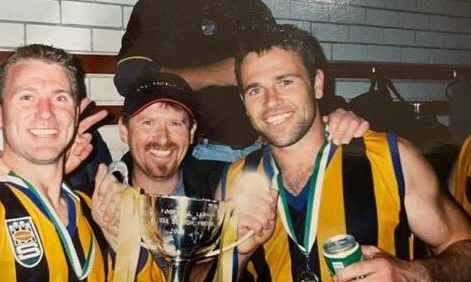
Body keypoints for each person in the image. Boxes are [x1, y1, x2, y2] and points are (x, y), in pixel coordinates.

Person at [221, 24, 471, 281]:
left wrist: (412, 273)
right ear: (243, 103)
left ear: (317, 84)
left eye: (285, 81)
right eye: (255, 90)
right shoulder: (232, 182)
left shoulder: (391, 159)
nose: (271, 102)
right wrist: (236, 255)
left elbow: (464, 250)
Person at [90, 72, 370, 281]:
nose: (162, 138)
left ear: (191, 132)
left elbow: (292, 165)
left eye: (175, 123)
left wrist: (332, 123)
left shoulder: (224, 183)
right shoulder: (98, 202)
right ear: (124, 130)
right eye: (147, 123)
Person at [114, 0, 357, 164]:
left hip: (263, 152)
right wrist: (214, 74)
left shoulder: (252, 8)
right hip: (197, 155)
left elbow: (286, 69)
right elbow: (128, 76)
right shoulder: (157, 7)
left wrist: (334, 113)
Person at [0, 44, 109, 281]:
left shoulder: (96, 212)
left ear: (75, 115)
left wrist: (124, 246)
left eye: (59, 97)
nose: (45, 112)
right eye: (27, 97)